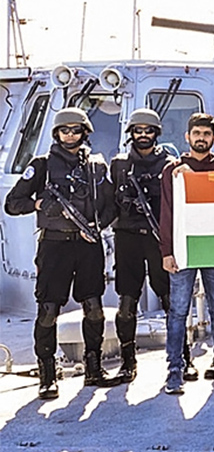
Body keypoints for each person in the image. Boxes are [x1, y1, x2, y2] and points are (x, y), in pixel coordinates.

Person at [5, 107, 120, 399]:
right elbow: (12, 203)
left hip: (87, 245)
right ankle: (47, 374)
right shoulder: (41, 165)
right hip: (54, 246)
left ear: (85, 132)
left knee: (93, 307)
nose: (70, 135)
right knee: (48, 310)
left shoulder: (96, 166)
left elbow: (111, 205)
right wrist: (38, 205)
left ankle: (93, 368)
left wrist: (96, 227)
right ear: (56, 133)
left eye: (76, 130)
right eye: (64, 130)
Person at [158, 112, 214, 395]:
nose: (201, 138)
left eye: (206, 134)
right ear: (187, 137)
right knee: (178, 312)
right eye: (196, 134)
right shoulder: (172, 169)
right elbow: (167, 212)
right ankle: (175, 371)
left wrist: (195, 178)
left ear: (213, 137)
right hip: (183, 249)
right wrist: (166, 251)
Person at [109, 108, 175, 383]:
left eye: (149, 131)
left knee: (172, 302)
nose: (144, 136)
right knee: (127, 302)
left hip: (158, 240)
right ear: (131, 133)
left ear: (157, 133)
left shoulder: (170, 164)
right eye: (139, 131)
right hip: (127, 238)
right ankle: (127, 362)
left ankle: (179, 359)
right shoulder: (119, 165)